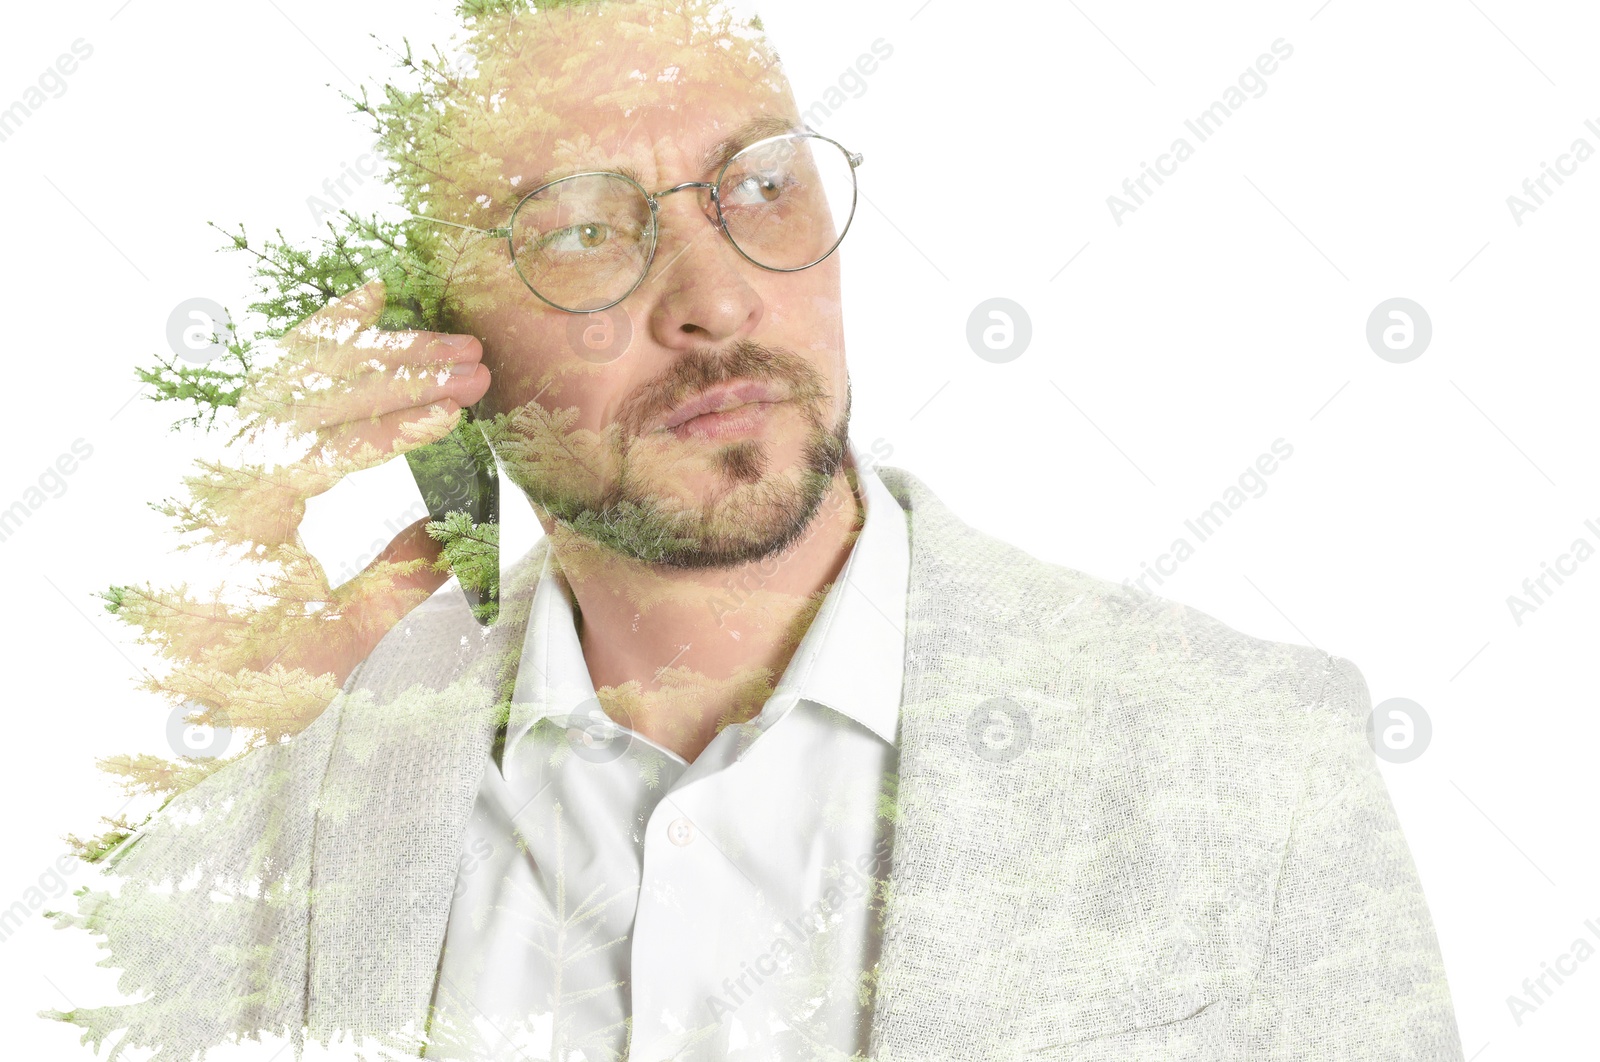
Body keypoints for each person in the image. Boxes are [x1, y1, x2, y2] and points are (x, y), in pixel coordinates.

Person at [48, 1, 1465, 1059]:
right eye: (585, 225)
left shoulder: (1259, 757)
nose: (718, 299)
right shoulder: (289, 775)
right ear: (433, 333)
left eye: (761, 186)